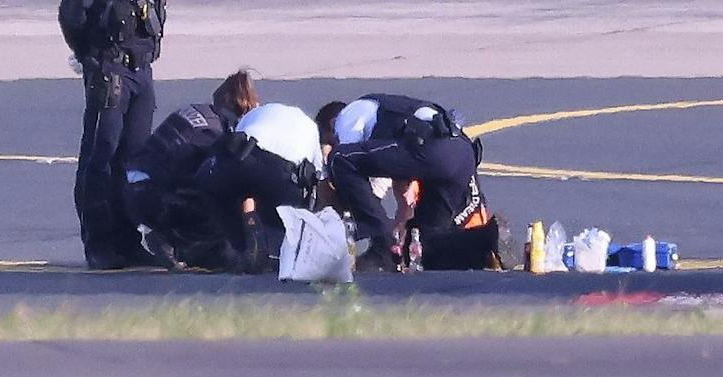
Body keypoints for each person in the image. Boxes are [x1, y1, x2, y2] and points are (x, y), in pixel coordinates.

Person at [59, 0, 172, 269]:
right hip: (110, 70)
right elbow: (73, 13)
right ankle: (99, 243)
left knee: (135, 159)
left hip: (141, 71)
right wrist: (91, 60)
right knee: (101, 158)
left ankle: (127, 239)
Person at [320, 94, 489, 270]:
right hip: (462, 152)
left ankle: (382, 247)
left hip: (431, 148)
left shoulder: (347, 116)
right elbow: (398, 187)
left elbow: (353, 173)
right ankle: (486, 243)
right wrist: (399, 222)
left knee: (339, 158)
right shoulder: (390, 119)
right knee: (424, 244)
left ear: (332, 124)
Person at [121, 70, 259, 269]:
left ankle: (171, 237)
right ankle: (176, 242)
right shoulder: (216, 131)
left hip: (134, 188)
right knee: (224, 194)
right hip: (156, 197)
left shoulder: (198, 111)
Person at [182, 101, 324, 273]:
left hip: (239, 158)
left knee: (214, 188)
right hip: (283, 175)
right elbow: (317, 183)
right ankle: (282, 253)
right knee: (288, 211)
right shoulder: (311, 129)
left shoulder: (255, 114)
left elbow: (235, 149)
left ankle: (239, 248)